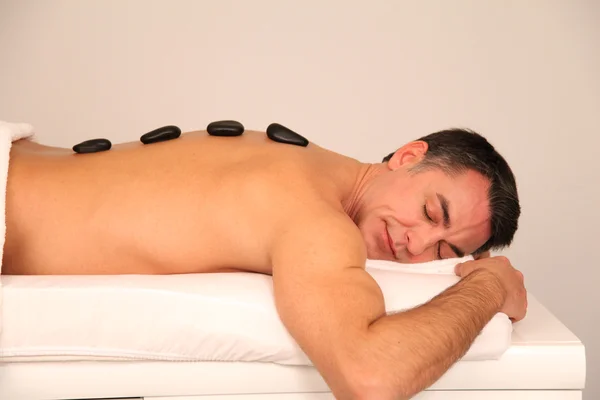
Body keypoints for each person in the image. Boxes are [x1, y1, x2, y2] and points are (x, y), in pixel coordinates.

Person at [2, 124, 527, 399]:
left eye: (444, 252)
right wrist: (487, 288)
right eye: (432, 212)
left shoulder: (293, 154)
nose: (416, 245)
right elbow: (369, 379)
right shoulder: (315, 222)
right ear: (408, 156)